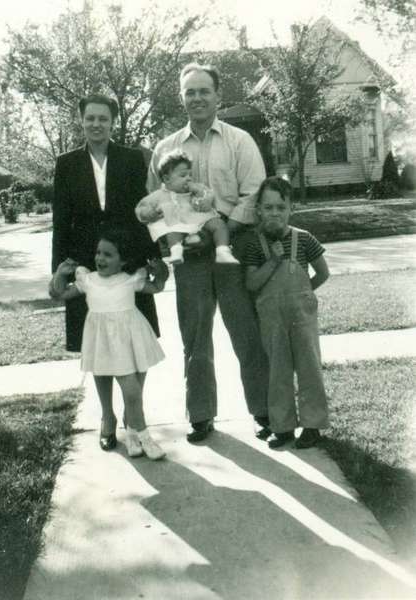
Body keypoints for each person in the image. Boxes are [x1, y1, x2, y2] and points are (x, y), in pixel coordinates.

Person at [147, 62, 269, 442]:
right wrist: (179, 238)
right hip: (190, 259)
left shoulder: (239, 141)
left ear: (218, 96)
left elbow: (254, 194)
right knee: (195, 337)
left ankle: (263, 411)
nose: (197, 98)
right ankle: (201, 415)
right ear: (181, 98)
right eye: (190, 92)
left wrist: (222, 230)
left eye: (204, 91)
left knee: (246, 332)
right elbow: (154, 203)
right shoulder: (165, 149)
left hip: (231, 249)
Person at [51, 93, 160, 353]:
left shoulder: (131, 158)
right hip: (85, 259)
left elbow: (143, 212)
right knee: (94, 343)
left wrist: (153, 256)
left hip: (127, 257)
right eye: (90, 118)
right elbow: (61, 220)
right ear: (81, 120)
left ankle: (136, 383)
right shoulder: (66, 163)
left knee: (136, 340)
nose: (96, 124)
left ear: (112, 122)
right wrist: (58, 268)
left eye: (103, 118)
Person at [50, 227, 168, 460]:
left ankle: (132, 433)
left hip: (131, 339)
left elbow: (156, 287)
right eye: (98, 253)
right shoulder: (88, 280)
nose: (100, 258)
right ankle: (144, 436)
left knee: (134, 390)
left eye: (108, 254)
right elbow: (59, 294)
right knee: (131, 390)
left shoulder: (130, 280)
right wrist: (60, 275)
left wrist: (160, 272)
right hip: (102, 340)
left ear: (123, 260)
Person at [244, 176, 330, 449]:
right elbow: (251, 283)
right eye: (268, 207)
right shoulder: (255, 244)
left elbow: (323, 272)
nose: (275, 213)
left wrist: (304, 294)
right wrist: (273, 261)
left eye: (281, 207)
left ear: (291, 208)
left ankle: (312, 426)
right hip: (272, 318)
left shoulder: (304, 239)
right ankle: (282, 427)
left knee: (309, 368)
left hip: (301, 316)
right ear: (258, 210)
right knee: (277, 371)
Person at [136, 149, 239, 264]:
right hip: (176, 223)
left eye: (190, 175)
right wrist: (150, 213)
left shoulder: (195, 190)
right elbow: (142, 208)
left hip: (198, 219)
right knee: (172, 232)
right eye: (183, 175)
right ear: (166, 179)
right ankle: (176, 251)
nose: (189, 178)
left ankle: (222, 250)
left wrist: (200, 194)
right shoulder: (158, 195)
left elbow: (206, 202)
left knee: (219, 224)